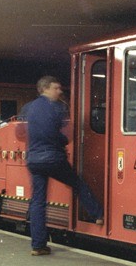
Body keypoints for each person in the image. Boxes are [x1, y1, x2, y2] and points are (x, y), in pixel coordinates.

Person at [25, 75, 104, 256]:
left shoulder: (30, 107)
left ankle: (38, 246)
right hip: (52, 158)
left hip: (34, 160)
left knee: (38, 201)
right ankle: (98, 215)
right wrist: (64, 140)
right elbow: (56, 133)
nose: (59, 91)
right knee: (77, 184)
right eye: (56, 88)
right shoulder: (55, 108)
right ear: (45, 88)